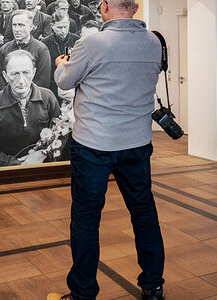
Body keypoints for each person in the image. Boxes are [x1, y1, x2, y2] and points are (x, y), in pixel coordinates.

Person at [48, 0, 165, 299]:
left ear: (104, 7)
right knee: (144, 213)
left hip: (94, 145)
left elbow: (64, 82)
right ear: (136, 7)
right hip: (137, 143)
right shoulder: (154, 41)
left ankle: (83, 294)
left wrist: (63, 63)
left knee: (87, 218)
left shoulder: (91, 43)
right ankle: (153, 287)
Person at [0, 50, 61, 167]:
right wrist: (17, 164)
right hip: (7, 173)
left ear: (34, 73)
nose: (21, 81)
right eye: (15, 74)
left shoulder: (48, 98)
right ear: (5, 76)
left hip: (44, 167)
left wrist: (42, 154)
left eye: (26, 73)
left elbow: (61, 135)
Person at [0, 10, 51, 91]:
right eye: (14, 25)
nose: (16, 29)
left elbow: (42, 81)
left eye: (21, 25)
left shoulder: (41, 50)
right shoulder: (4, 49)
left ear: (31, 27)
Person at [42, 11, 79, 103]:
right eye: (59, 27)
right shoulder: (44, 44)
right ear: (52, 26)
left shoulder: (77, 41)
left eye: (65, 27)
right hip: (52, 87)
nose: (63, 31)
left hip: (72, 86)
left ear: (69, 24)